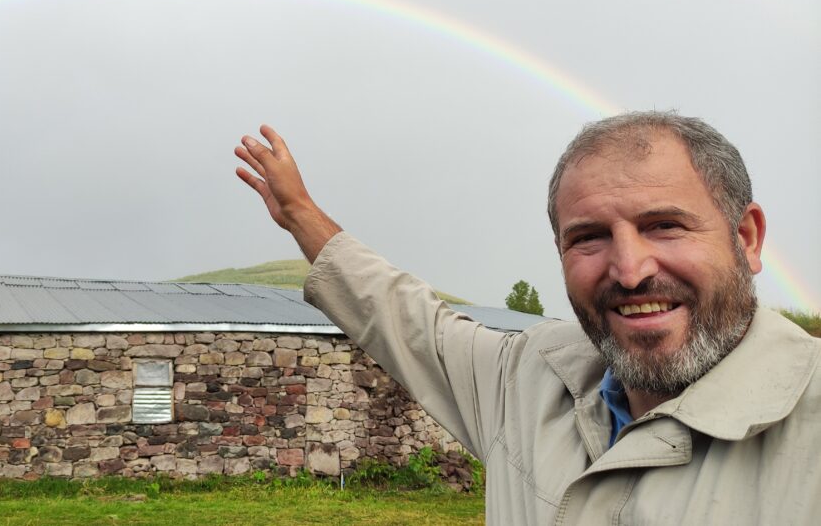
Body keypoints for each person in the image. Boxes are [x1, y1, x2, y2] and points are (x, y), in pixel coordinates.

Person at [234, 112, 820, 525]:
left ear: (746, 238)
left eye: (663, 225)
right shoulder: (527, 378)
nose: (630, 269)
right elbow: (403, 318)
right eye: (588, 237)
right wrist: (299, 213)